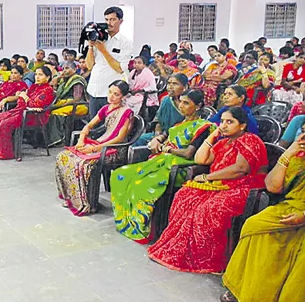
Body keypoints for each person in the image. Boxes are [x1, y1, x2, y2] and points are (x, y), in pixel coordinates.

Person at [148, 107, 267, 273]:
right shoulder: (224, 142)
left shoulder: (250, 140)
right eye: (222, 122)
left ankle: (208, 259)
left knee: (208, 210)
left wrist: (207, 178)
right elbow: (200, 159)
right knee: (184, 195)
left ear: (242, 125)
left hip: (244, 187)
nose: (224, 125)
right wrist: (211, 137)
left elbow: (241, 169)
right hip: (220, 185)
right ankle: (185, 251)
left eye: (230, 122)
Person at [111, 89, 215, 243]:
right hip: (162, 161)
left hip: (179, 167)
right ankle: (125, 220)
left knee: (142, 185)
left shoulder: (203, 127)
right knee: (120, 174)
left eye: (186, 103)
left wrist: (167, 149)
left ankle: (142, 228)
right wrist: (158, 139)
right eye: (181, 101)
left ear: (198, 106)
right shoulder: (180, 123)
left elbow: (188, 153)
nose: (181, 105)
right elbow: (165, 134)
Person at [221, 132, 305, 302]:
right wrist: (288, 153)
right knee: (254, 225)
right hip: (291, 206)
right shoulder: (298, 156)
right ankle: (247, 288)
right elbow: (272, 186)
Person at [54, 80, 133, 215]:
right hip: (100, 144)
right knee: (63, 157)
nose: (111, 96)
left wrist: (95, 149)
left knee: (83, 163)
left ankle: (88, 203)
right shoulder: (105, 109)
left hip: (115, 149)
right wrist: (81, 138)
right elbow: (89, 125)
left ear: (124, 97)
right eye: (110, 92)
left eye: (116, 94)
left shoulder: (127, 112)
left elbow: (120, 138)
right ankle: (72, 199)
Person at [0, 67, 55, 160]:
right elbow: (20, 102)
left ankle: (6, 153)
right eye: (36, 74)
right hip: (22, 111)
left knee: (4, 124)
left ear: (47, 77)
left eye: (40, 75)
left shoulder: (48, 90)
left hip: (33, 116)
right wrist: (25, 99)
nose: (37, 77)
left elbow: (35, 104)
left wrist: (25, 97)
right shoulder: (33, 87)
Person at [85, 7, 134, 118]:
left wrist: (103, 50)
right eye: (106, 20)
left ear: (120, 21)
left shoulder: (125, 42)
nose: (108, 23)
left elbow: (119, 68)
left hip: (110, 93)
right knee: (94, 126)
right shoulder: (100, 38)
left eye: (112, 19)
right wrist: (90, 47)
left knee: (109, 127)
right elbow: (89, 65)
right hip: (94, 90)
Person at [134, 73, 188, 147]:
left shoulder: (189, 104)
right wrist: (157, 135)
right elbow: (158, 121)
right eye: (169, 83)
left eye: (175, 84)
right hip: (161, 134)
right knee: (139, 140)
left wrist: (163, 138)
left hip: (178, 137)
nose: (170, 87)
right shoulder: (166, 100)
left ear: (185, 87)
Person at [47, 61, 88, 146]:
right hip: (67, 104)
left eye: (67, 68)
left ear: (75, 69)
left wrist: (62, 105)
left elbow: (77, 99)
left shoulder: (77, 80)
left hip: (79, 105)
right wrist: (55, 84)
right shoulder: (64, 81)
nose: (64, 71)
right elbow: (57, 95)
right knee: (48, 112)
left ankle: (59, 139)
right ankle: (56, 138)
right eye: (63, 69)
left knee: (55, 113)